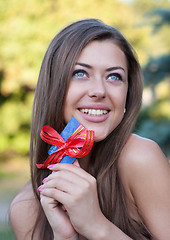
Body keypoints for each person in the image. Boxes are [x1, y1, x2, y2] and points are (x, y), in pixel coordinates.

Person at [9, 18, 170, 240]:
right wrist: (66, 237)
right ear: (54, 86)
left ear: (127, 94)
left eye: (114, 77)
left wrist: (96, 227)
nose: (99, 91)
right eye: (80, 73)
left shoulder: (141, 158)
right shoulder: (26, 209)